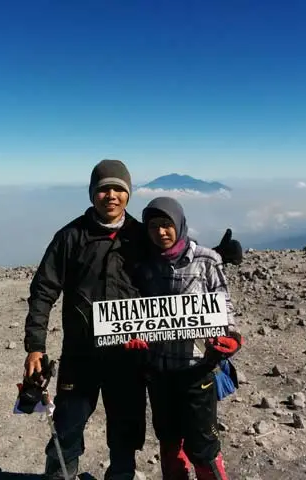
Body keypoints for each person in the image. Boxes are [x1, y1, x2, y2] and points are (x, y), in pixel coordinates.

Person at [23, 159, 149, 480]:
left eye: (119, 189)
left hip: (128, 356)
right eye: (104, 189)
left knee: (125, 431)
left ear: (128, 194)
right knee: (66, 428)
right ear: (92, 193)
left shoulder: (141, 237)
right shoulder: (70, 237)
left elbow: (171, 274)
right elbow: (43, 290)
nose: (111, 195)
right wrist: (35, 346)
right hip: (82, 356)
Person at [135, 197, 243, 480]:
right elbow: (133, 311)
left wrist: (231, 336)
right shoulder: (143, 264)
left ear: (179, 224)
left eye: (166, 225)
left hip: (197, 369)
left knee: (203, 444)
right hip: (158, 370)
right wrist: (132, 334)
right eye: (154, 226)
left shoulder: (207, 260)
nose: (161, 233)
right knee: (169, 439)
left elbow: (224, 306)